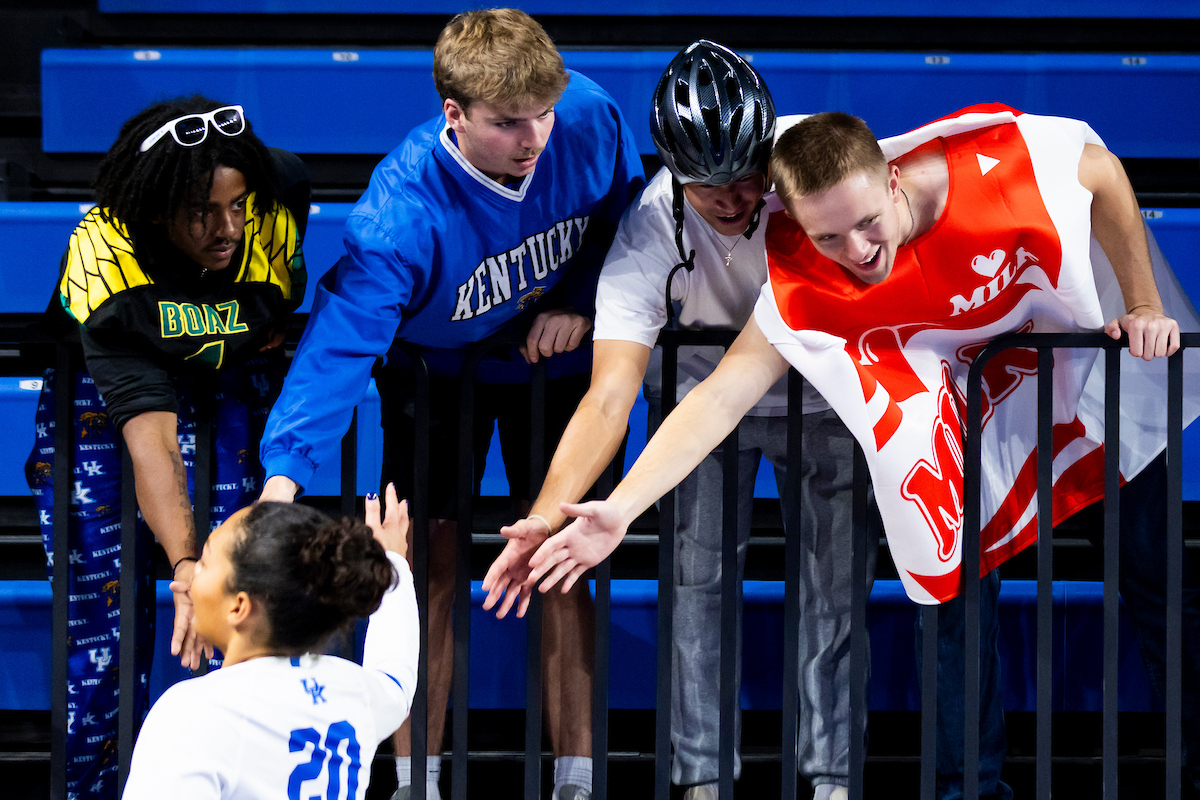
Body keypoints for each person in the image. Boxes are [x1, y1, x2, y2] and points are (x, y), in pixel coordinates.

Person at [523, 106, 1200, 799]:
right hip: (985, 405)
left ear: (893, 179)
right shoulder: (805, 279)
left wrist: (1145, 302)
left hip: (1093, 376)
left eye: (868, 222)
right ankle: (969, 788)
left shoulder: (991, 170)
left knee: (1162, 582)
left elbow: (1098, 167)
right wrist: (620, 509)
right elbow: (718, 398)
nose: (857, 251)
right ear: (795, 222)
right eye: (828, 237)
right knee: (952, 591)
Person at [256, 9, 644, 800]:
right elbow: (338, 350)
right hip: (433, 376)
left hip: (551, 367)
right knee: (424, 557)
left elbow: (626, 219)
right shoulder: (398, 213)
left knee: (563, 551)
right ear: (454, 114)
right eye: (507, 124)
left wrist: (579, 298)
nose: (534, 138)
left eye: (542, 114)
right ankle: (416, 780)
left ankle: (576, 780)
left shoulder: (588, 113)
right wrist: (282, 481)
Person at [481, 41, 866, 800]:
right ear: (673, 170)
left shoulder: (817, 164)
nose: (733, 199)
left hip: (823, 403)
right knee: (697, 589)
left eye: (747, 176)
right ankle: (702, 780)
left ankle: (832, 780)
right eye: (708, 185)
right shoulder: (649, 227)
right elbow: (608, 397)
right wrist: (544, 514)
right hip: (699, 414)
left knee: (834, 590)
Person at [24, 95, 308, 800]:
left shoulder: (274, 196)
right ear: (155, 212)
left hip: (226, 394)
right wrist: (185, 561)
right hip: (101, 407)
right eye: (203, 213)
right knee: (102, 639)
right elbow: (149, 434)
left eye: (236, 207)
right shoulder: (105, 260)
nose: (229, 228)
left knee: (235, 615)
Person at [122, 486, 418, 797]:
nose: (192, 574)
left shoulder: (191, 712)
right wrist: (395, 563)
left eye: (205, 563)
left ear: (238, 607)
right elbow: (396, 675)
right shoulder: (356, 691)